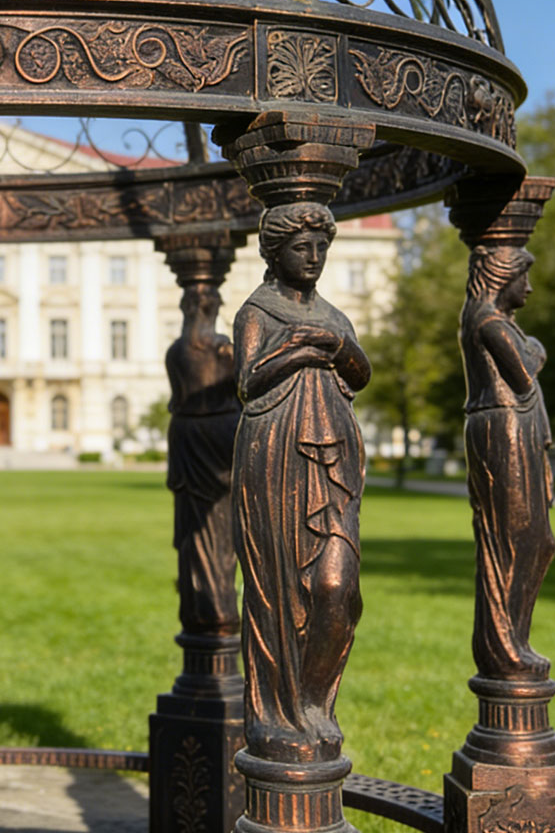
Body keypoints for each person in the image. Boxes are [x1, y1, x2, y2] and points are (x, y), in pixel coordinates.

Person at [231, 202, 370, 763]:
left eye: (321, 247)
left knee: (338, 586)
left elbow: (361, 370)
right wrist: (299, 346)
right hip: (275, 456)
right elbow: (248, 381)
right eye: (301, 247)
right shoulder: (256, 311)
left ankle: (315, 702)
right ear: (274, 252)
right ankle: (279, 715)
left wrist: (335, 344)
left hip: (334, 456)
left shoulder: (335, 316)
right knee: (280, 590)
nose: (313, 257)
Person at [459, 245, 553, 680]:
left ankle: (515, 638)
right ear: (502, 278)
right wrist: (535, 348)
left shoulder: (501, 322)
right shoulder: (488, 321)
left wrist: (530, 346)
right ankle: (502, 645)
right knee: (511, 539)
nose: (528, 288)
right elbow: (524, 372)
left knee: (537, 540)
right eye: (522, 278)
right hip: (503, 430)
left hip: (517, 427)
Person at [166, 282, 241, 637]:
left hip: (187, 438)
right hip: (220, 437)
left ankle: (202, 602)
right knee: (221, 527)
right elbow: (245, 388)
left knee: (195, 528)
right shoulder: (223, 349)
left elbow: (178, 400)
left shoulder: (176, 352)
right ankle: (219, 605)